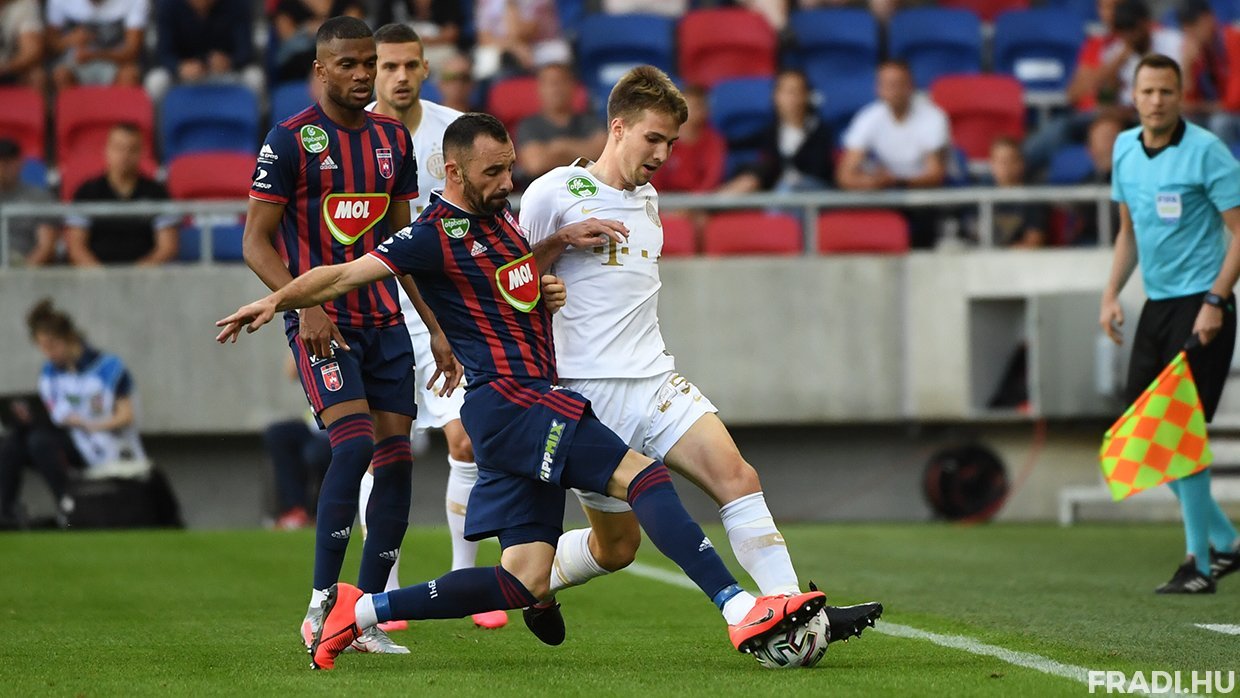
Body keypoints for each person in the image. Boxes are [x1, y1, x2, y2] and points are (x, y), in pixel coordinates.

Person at [216, 112, 829, 670]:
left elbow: (507, 280)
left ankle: (359, 611)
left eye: (509, 166)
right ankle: (738, 607)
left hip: (514, 410)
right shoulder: (431, 233)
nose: (507, 180)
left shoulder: (501, 218)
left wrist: (550, 266)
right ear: (453, 172)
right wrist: (275, 301)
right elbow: (345, 274)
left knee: (523, 580)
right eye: (492, 171)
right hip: (514, 402)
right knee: (643, 477)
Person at [519, 65, 882, 646]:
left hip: (654, 380)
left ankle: (795, 613)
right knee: (617, 549)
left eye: (671, 142)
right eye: (653, 139)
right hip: (587, 394)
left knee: (738, 476)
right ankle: (536, 583)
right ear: (618, 128)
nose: (662, 154)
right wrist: (553, 255)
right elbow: (509, 281)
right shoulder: (553, 192)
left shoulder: (649, 199)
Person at [243, 15, 441, 656]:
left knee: (397, 460)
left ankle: (365, 616)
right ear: (320, 70)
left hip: (386, 322)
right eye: (349, 65)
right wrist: (305, 306)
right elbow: (255, 242)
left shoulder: (391, 139)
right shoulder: (289, 140)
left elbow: (405, 244)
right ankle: (320, 604)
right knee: (352, 445)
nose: (362, 75)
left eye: (368, 64)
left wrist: (436, 328)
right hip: (322, 326)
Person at [360, 21, 507, 630]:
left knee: (466, 439)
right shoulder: (354, 137)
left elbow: (490, 215)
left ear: (426, 68)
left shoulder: (457, 131)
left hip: (447, 309)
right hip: (376, 308)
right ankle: (383, 590)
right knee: (383, 450)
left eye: (410, 65)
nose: (400, 76)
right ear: (371, 70)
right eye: (388, 66)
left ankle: (463, 582)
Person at [1099, 53, 1240, 594]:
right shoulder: (1124, 148)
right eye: (1147, 91)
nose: (1156, 101)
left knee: (1182, 430)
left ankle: (1197, 564)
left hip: (1201, 304)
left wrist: (1216, 300)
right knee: (1140, 433)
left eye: (1166, 91)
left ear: (1181, 96)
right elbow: (1128, 232)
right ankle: (1226, 541)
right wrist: (1111, 295)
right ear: (1133, 97)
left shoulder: (1207, 151)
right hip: (1157, 305)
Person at [1, 300, 148, 527]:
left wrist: (89, 424)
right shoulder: (50, 373)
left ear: (68, 338)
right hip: (67, 439)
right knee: (13, 442)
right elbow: (52, 410)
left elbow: (126, 416)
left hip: (102, 443)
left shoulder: (108, 367)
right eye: (42, 347)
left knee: (39, 442)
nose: (48, 353)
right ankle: (5, 513)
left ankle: (69, 509)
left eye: (51, 345)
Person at [836, 60, 950, 247]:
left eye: (898, 84)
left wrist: (897, 182)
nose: (893, 90)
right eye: (888, 85)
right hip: (885, 193)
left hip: (923, 196)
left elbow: (935, 174)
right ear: (878, 89)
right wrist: (871, 183)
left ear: (910, 86)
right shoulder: (868, 117)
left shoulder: (933, 117)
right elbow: (845, 175)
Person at [65, 123, 179, 266]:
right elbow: (76, 247)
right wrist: (99, 274)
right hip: (96, 275)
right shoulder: (87, 192)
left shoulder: (157, 193)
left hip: (145, 275)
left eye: (132, 149)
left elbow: (167, 247)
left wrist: (138, 273)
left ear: (142, 153)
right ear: (106, 150)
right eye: (118, 148)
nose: (124, 155)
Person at [721, 69, 833, 194]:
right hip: (779, 192)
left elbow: (820, 170)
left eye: (796, 91)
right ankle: (713, 203)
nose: (791, 98)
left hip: (813, 192)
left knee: (788, 187)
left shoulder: (820, 131)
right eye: (785, 91)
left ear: (806, 95)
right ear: (775, 96)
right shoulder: (770, 133)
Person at [145, 0, 263, 102]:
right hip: (185, 74)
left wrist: (230, 62)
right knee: (156, 81)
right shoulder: (168, 4)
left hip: (225, 72)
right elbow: (163, 53)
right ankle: (160, 122)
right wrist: (179, 67)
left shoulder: (237, 4)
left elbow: (246, 50)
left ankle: (261, 121)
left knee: (254, 77)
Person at [265, 357, 332, 530]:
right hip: (313, 426)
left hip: (337, 430)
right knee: (278, 434)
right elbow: (292, 372)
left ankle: (321, 513)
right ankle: (295, 509)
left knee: (316, 453)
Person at [515, 63, 606, 183]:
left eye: (561, 82)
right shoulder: (528, 126)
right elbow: (535, 164)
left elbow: (603, 156)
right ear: (539, 89)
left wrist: (559, 147)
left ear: (573, 86)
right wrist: (582, 152)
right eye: (550, 83)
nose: (556, 88)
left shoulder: (592, 122)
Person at [45, 0, 146, 89]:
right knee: (60, 75)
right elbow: (51, 44)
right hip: (75, 60)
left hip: (114, 61)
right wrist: (69, 40)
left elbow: (132, 50)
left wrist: (94, 55)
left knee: (129, 76)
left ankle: (119, 106)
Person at [650, 85, 725, 194]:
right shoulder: (663, 140)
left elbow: (712, 179)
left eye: (699, 106)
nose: (695, 112)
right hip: (665, 200)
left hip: (702, 200)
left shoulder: (714, 141)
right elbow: (654, 177)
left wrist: (693, 202)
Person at [0, 138, 58, 266]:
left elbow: (46, 246)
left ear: (20, 162)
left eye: (9, 161)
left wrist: (23, 273)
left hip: (21, 264)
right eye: (1, 162)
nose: (3, 167)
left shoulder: (39, 197)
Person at [986, 137, 1048, 248]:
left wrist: (1001, 254)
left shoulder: (1033, 199)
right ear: (992, 164)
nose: (1005, 166)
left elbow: (1033, 241)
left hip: (1017, 258)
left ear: (1021, 164)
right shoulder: (980, 196)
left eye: (1010, 160)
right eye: (1000, 161)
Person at [0, 0, 45, 89]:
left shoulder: (24, 5)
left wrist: (5, 67)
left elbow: (32, 51)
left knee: (36, 75)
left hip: (8, 69)